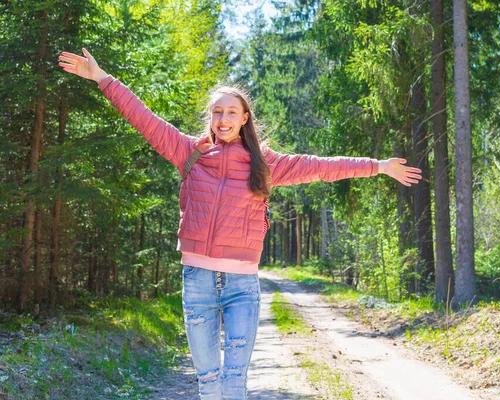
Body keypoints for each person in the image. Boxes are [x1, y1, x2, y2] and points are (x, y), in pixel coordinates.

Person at [58, 48, 422, 400]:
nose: (224, 118)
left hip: (241, 285)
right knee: (208, 380)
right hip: (197, 280)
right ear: (210, 117)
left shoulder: (265, 164)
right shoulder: (189, 153)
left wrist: (378, 165)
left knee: (233, 382)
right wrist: (102, 78)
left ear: (244, 118)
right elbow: (144, 118)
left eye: (232, 111)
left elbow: (321, 166)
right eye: (217, 111)